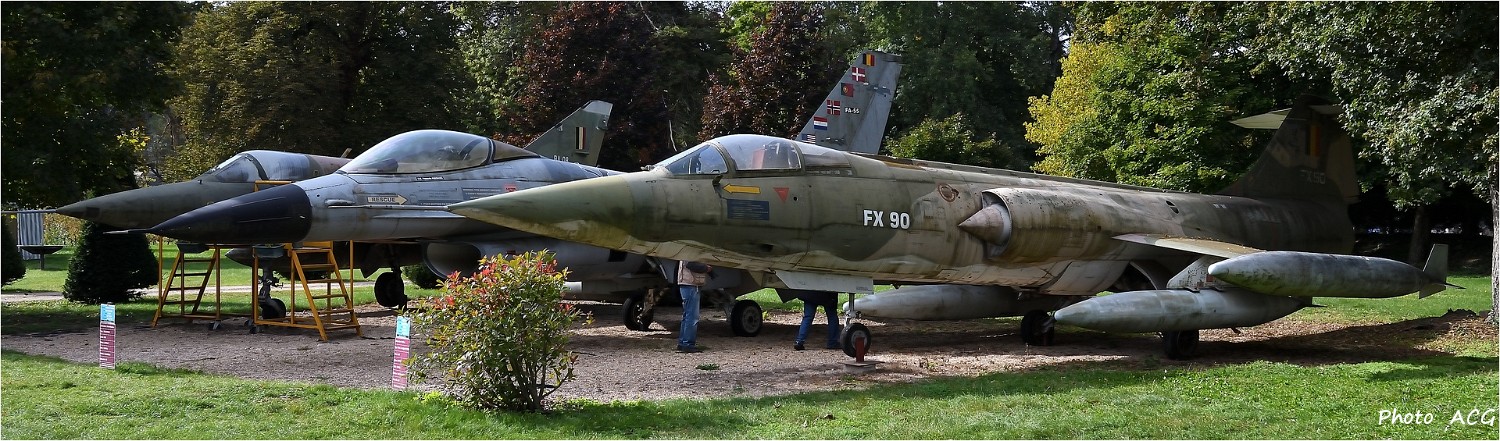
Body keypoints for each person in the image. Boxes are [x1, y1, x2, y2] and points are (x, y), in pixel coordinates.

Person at [675, 260, 711, 353]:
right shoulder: (690, 254)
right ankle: (688, 344)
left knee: (687, 315)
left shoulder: (683, 253)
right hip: (691, 284)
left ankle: (682, 343)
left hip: (685, 283)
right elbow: (691, 264)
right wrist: (706, 268)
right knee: (692, 317)